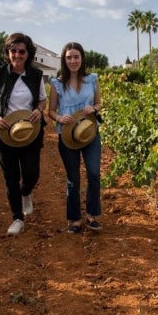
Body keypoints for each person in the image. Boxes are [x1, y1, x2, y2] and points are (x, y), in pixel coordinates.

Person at [0, 33, 47, 236]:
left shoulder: (36, 76)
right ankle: (17, 218)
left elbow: (42, 100)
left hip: (29, 131)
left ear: (28, 54)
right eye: (13, 51)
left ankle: (26, 192)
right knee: (11, 176)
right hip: (4, 133)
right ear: (8, 53)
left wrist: (39, 110)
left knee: (31, 173)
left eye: (21, 51)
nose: (17, 55)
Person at [47, 42, 103, 234]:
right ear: (64, 60)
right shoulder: (57, 84)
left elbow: (99, 103)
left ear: (82, 59)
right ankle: (74, 219)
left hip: (89, 132)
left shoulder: (92, 80)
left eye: (76, 57)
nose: (73, 61)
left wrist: (93, 109)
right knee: (73, 178)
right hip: (67, 135)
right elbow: (51, 111)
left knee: (94, 174)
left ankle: (92, 216)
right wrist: (60, 117)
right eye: (69, 57)